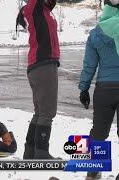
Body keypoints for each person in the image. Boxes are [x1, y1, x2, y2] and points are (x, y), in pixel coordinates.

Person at [79, 1, 119, 179]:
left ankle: (92, 173)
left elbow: (89, 65)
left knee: (98, 133)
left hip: (104, 89)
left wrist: (84, 88)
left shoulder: (96, 33)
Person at [16, 0, 60, 159]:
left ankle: (30, 151)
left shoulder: (43, 11)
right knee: (48, 112)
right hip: (44, 63)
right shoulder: (35, 8)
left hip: (39, 64)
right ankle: (41, 153)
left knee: (40, 112)